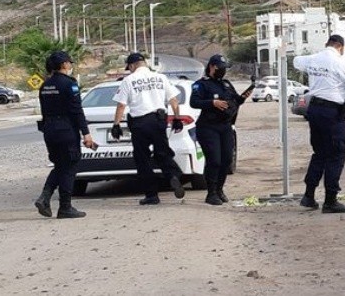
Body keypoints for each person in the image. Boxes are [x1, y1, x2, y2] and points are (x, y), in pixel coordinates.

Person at [293, 34, 345, 213]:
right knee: (336, 153)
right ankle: (330, 200)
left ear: (328, 44)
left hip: (315, 109)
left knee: (319, 153)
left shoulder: (313, 59)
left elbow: (296, 61)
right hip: (332, 113)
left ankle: (308, 196)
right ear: (340, 46)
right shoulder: (340, 61)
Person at [111, 52, 186, 205]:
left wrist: (116, 124)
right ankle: (173, 176)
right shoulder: (160, 77)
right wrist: (177, 118)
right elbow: (174, 101)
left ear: (132, 65)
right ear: (144, 63)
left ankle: (152, 195)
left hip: (140, 124)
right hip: (158, 121)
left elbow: (121, 105)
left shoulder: (129, 80)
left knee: (142, 159)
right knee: (162, 152)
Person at [34, 51, 97, 219]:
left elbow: (44, 111)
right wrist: (86, 133)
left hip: (49, 129)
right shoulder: (69, 84)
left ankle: (45, 197)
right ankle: (65, 207)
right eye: (69, 62)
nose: (71, 65)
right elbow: (77, 110)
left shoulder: (45, 85)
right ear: (63, 65)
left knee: (60, 165)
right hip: (65, 129)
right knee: (70, 165)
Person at [190, 54, 251, 205]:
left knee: (226, 160)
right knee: (214, 160)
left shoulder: (226, 84)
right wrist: (212, 103)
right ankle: (211, 193)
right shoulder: (201, 84)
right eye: (220, 68)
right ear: (212, 67)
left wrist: (243, 97)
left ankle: (219, 189)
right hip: (208, 127)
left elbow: (235, 101)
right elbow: (194, 102)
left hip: (225, 126)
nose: (223, 71)